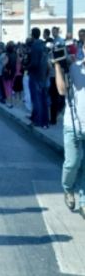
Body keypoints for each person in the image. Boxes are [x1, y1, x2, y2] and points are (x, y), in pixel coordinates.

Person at [54, 47, 85, 218]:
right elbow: (61, 90)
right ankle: (68, 189)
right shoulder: (74, 67)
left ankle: (84, 201)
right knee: (72, 163)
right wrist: (58, 67)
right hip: (72, 125)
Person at [29, 27, 50, 128]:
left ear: (32, 35)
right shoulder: (43, 45)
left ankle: (38, 121)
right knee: (43, 99)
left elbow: (34, 63)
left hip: (35, 76)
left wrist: (26, 67)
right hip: (43, 75)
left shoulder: (35, 46)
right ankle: (45, 121)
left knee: (36, 99)